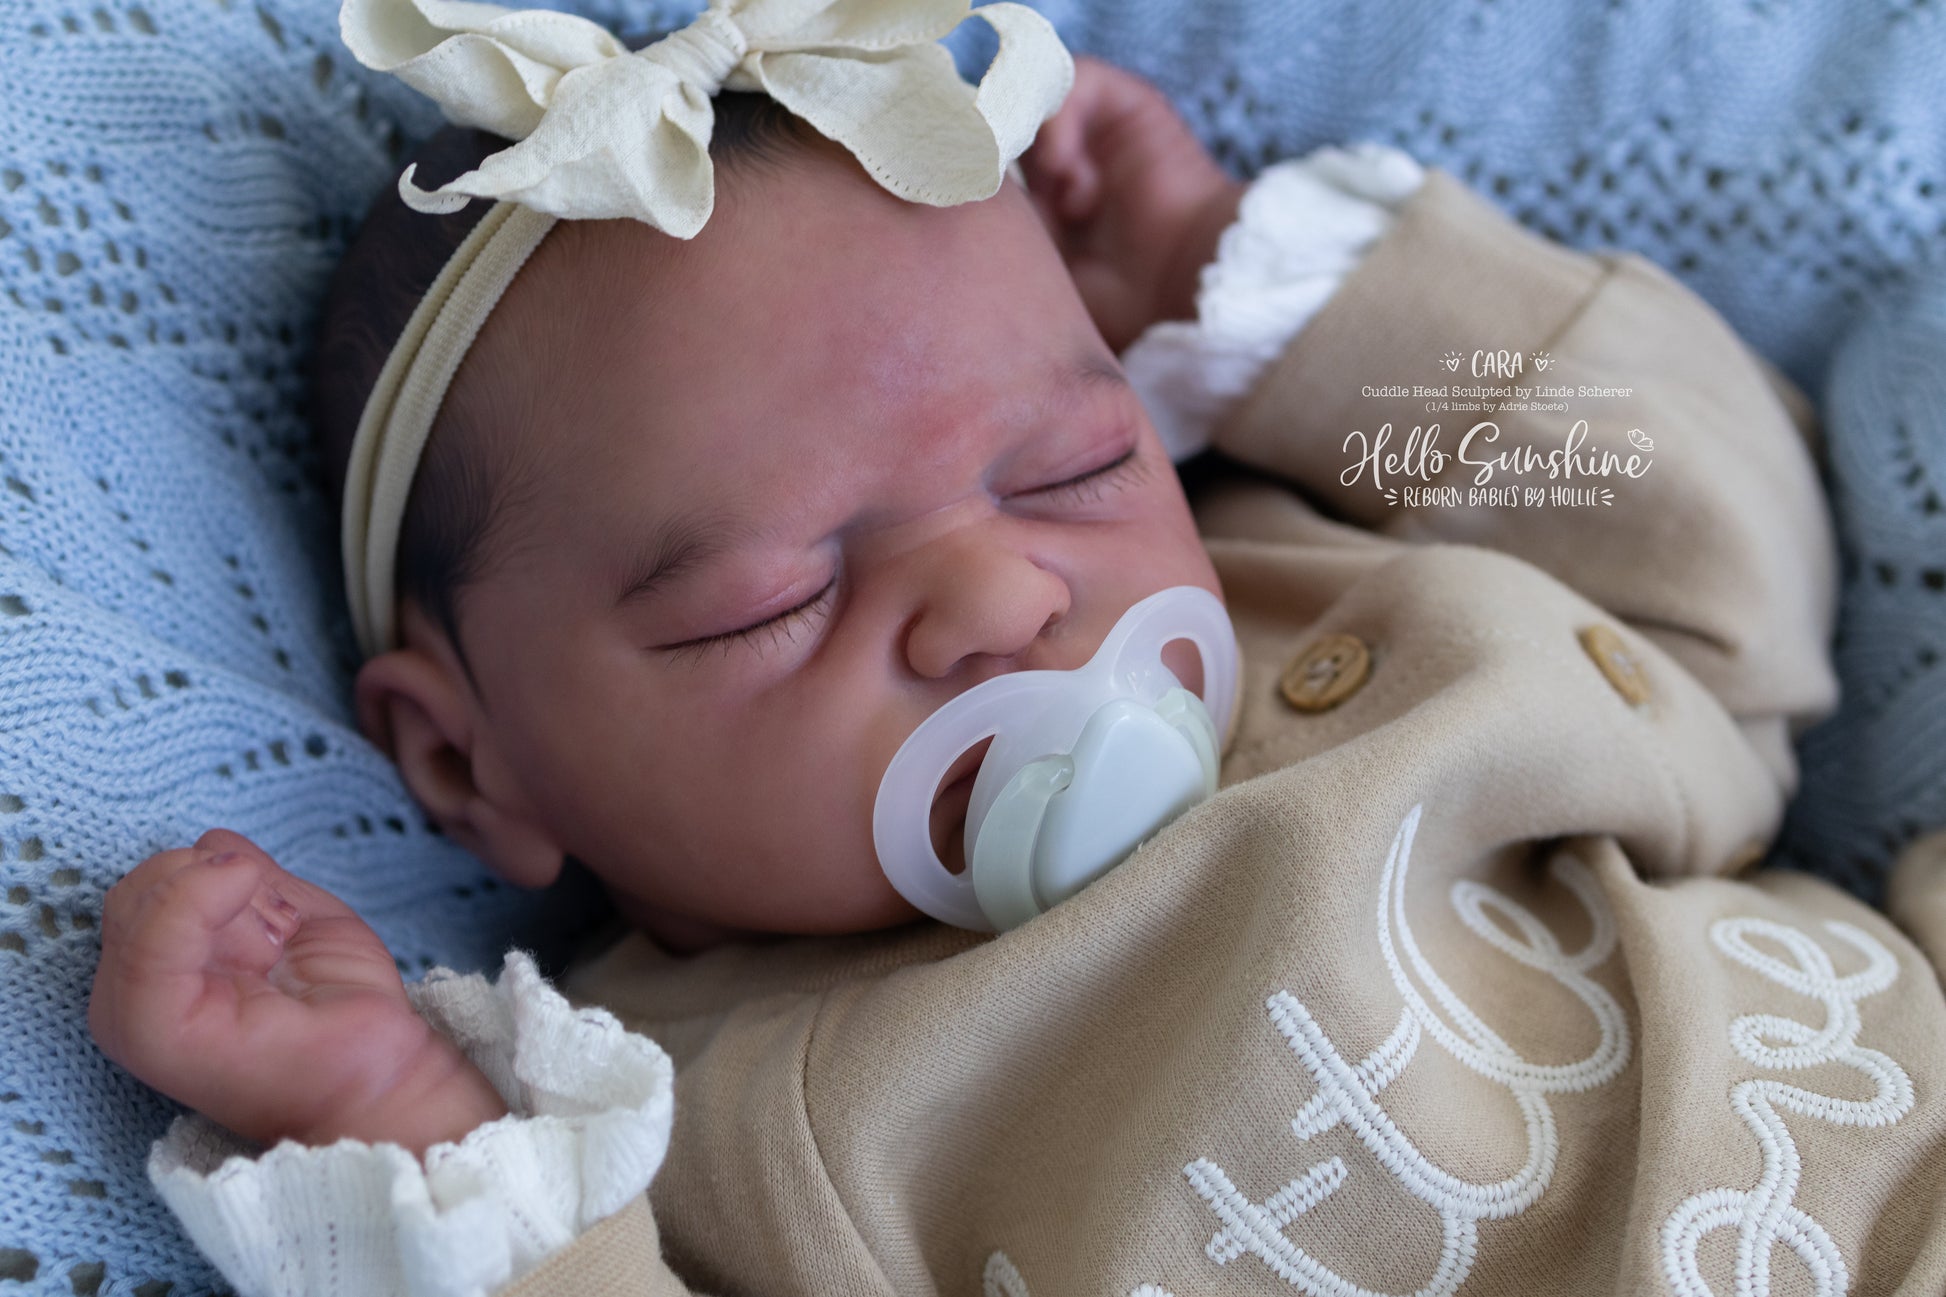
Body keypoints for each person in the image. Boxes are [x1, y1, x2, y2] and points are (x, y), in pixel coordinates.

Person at [87, 0, 1946, 1292]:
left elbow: (1718, 552)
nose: (999, 597)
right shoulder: (698, 1122)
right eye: (770, 598)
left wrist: (1253, 292)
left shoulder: (1336, 582)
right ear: (465, 761)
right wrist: (412, 1127)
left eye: (1070, 469)